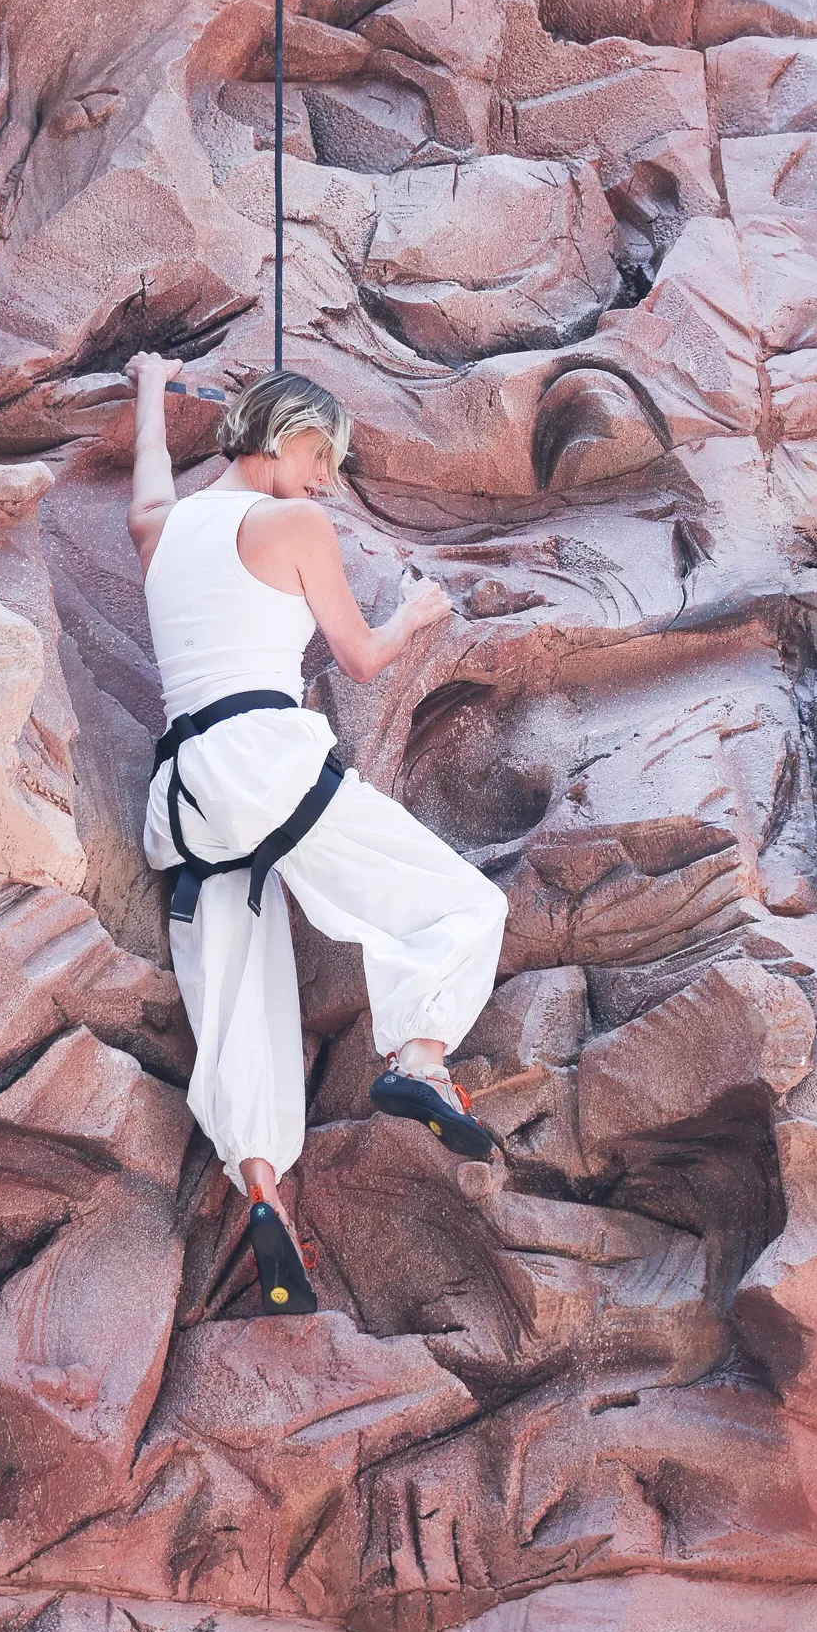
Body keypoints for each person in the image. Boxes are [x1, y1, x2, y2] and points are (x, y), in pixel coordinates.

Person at [127, 352, 509, 1304]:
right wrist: (418, 611)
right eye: (323, 457)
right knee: (456, 903)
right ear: (286, 435)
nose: (327, 484)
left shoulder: (159, 529)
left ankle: (262, 1183)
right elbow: (362, 658)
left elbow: (145, 488)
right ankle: (421, 1059)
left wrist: (146, 389)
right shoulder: (291, 521)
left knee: (236, 989)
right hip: (263, 760)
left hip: (182, 794)